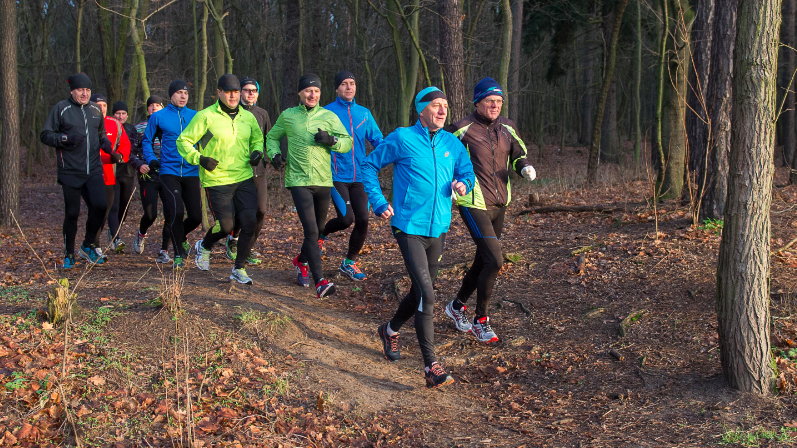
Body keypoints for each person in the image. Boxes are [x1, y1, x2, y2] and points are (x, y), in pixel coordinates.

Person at [362, 87, 475, 388]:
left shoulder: (452, 142)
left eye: (445, 106)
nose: (442, 111)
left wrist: (463, 183)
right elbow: (369, 166)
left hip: (438, 228)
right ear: (421, 109)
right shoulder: (402, 138)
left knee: (420, 290)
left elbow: (467, 172)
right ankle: (431, 366)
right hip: (408, 225)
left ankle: (390, 329)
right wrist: (379, 201)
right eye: (436, 105)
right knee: (428, 293)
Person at [443, 77, 536, 344]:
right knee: (495, 260)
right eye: (489, 101)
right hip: (473, 202)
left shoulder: (507, 126)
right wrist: (449, 183)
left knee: (484, 259)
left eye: (498, 101)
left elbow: (518, 152)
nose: (495, 105)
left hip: (500, 202)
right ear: (478, 102)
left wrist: (523, 166)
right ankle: (480, 320)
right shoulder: (461, 128)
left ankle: (456, 306)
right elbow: (443, 155)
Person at [265, 73, 353, 298]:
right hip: (298, 180)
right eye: (307, 91)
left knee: (318, 231)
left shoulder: (329, 116)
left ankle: (300, 261)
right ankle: (320, 281)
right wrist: (275, 155)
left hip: (323, 180)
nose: (312, 94)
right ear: (300, 93)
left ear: (320, 93)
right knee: (312, 231)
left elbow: (347, 142)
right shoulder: (288, 116)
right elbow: (272, 137)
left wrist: (331, 141)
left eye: (316, 91)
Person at [177, 74, 265, 284]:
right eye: (228, 91)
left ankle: (239, 268)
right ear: (219, 93)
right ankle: (204, 245)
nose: (233, 96)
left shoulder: (248, 117)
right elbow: (184, 141)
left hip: (243, 176)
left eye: (236, 91)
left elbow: (258, 138)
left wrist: (256, 151)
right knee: (226, 226)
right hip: (217, 179)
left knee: (249, 222)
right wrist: (200, 158)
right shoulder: (205, 116)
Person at [40, 73, 121, 268]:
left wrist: (110, 150)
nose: (84, 94)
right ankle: (69, 254)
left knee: (101, 206)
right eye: (80, 90)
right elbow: (46, 135)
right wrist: (65, 139)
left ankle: (87, 245)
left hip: (93, 168)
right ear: (72, 91)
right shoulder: (61, 108)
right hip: (70, 170)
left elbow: (101, 135)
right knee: (72, 213)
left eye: (87, 90)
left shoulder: (94, 110)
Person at [319, 71, 383, 281]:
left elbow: (377, 140)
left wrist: (388, 155)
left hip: (360, 176)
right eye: (344, 84)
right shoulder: (326, 112)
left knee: (363, 220)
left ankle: (349, 262)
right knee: (347, 219)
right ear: (337, 88)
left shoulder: (364, 113)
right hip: (336, 175)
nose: (349, 87)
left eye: (352, 84)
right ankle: (322, 235)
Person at [142, 80, 200, 268]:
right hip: (168, 171)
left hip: (192, 170)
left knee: (196, 216)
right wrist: (151, 159)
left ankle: (181, 235)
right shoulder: (158, 117)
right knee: (176, 212)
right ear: (171, 95)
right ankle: (178, 254)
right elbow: (146, 141)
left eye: (186, 93)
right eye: (179, 92)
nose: (183, 96)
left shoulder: (196, 116)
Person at [223, 76, 273, 265]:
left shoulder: (262, 113)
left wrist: (271, 157)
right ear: (240, 92)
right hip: (235, 170)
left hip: (258, 170)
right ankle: (233, 241)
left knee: (260, 211)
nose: (250, 93)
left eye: (254, 90)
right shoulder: (231, 112)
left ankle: (248, 248)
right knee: (239, 212)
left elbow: (270, 138)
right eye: (247, 90)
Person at [130, 95, 171, 261]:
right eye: (151, 106)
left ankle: (164, 251)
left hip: (169, 173)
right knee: (150, 213)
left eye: (157, 105)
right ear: (147, 109)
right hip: (148, 175)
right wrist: (140, 164)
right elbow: (130, 152)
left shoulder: (170, 125)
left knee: (171, 213)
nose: (154, 108)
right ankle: (141, 233)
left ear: (162, 108)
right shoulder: (139, 128)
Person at [91, 94, 132, 256]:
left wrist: (120, 156)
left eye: (104, 105)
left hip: (109, 175)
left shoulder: (114, 123)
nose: (101, 108)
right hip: (89, 174)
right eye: (98, 104)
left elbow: (125, 145)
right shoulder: (84, 122)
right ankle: (92, 244)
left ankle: (95, 244)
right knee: (96, 210)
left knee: (105, 209)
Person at [110, 101, 140, 249]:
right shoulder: (108, 127)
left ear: (127, 115)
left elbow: (134, 149)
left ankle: (115, 231)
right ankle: (116, 238)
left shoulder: (131, 129)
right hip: (113, 171)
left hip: (128, 172)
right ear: (113, 114)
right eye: (117, 113)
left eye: (123, 113)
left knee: (124, 206)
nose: (120, 116)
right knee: (114, 205)